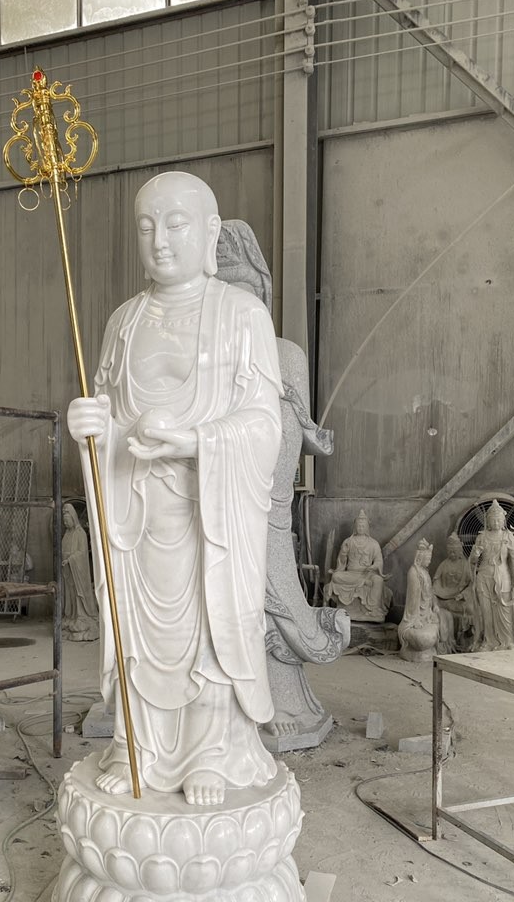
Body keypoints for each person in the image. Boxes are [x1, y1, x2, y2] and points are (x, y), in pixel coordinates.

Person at [67, 171, 281, 806]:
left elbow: (265, 424)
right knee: (139, 636)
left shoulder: (242, 315)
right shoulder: (123, 322)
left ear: (210, 233)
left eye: (176, 224)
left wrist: (194, 442)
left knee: (211, 631)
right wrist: (90, 427)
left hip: (208, 515)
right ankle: (139, 746)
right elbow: (108, 414)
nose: (160, 240)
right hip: (136, 514)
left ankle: (211, 752)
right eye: (146, 226)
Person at [216, 219, 348, 737]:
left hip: (262, 505)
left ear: (262, 297)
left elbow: (291, 442)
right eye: (221, 295)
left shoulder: (285, 356)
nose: (234, 310)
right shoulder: (198, 360)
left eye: (245, 294)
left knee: (271, 597)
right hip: (205, 503)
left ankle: (280, 700)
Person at [469, 500, 514, 651]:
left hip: (503, 577)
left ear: (504, 520)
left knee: (505, 611)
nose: (496, 522)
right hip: (484, 577)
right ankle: (488, 641)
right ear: (487, 521)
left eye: (499, 519)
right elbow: (473, 562)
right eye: (493, 519)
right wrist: (475, 554)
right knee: (486, 612)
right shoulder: (482, 537)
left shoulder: (508, 537)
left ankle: (508, 641)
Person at [324, 509, 392, 622]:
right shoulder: (348, 541)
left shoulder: (373, 543)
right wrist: (343, 553)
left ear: (367, 527)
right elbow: (341, 562)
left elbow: (379, 561)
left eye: (363, 526)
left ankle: (373, 610)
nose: (360, 528)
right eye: (358, 526)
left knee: (378, 580)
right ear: (355, 527)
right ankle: (362, 586)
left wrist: (373, 567)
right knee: (336, 577)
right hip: (351, 574)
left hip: (367, 574)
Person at [398, 539, 454, 661]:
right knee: (423, 638)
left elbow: (430, 593)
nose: (429, 561)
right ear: (420, 558)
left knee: (448, 616)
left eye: (430, 559)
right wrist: (416, 619)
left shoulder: (425, 572)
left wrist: (435, 605)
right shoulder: (414, 573)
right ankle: (424, 647)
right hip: (416, 616)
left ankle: (444, 648)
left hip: (428, 613)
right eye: (427, 559)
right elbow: (413, 601)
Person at [61, 504, 98, 641]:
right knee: (70, 594)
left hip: (78, 570)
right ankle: (71, 616)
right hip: (68, 571)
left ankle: (82, 616)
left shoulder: (80, 533)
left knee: (78, 593)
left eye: (67, 520)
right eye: (64, 521)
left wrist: (70, 559)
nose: (65, 523)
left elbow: (82, 553)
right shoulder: (67, 534)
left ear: (73, 518)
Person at [432, 532, 473, 646]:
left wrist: (463, 594)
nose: (452, 554)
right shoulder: (444, 564)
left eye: (454, 551)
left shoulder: (465, 565)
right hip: (443, 597)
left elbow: (472, 584)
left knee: (471, 609)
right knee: (433, 601)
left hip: (458, 599)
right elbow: (436, 581)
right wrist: (436, 590)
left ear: (460, 551)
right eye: (450, 551)